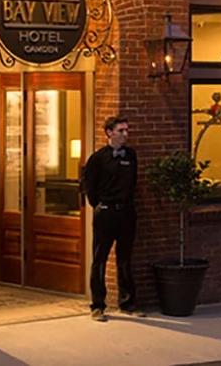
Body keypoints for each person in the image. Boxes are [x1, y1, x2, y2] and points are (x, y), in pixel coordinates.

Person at [81, 115, 139, 321]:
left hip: (126, 213)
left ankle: (127, 303)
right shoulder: (97, 159)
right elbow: (89, 187)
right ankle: (98, 305)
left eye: (126, 130)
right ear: (109, 133)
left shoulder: (131, 156)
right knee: (100, 259)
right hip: (106, 213)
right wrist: (100, 205)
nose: (125, 134)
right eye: (121, 130)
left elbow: (133, 183)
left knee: (125, 259)